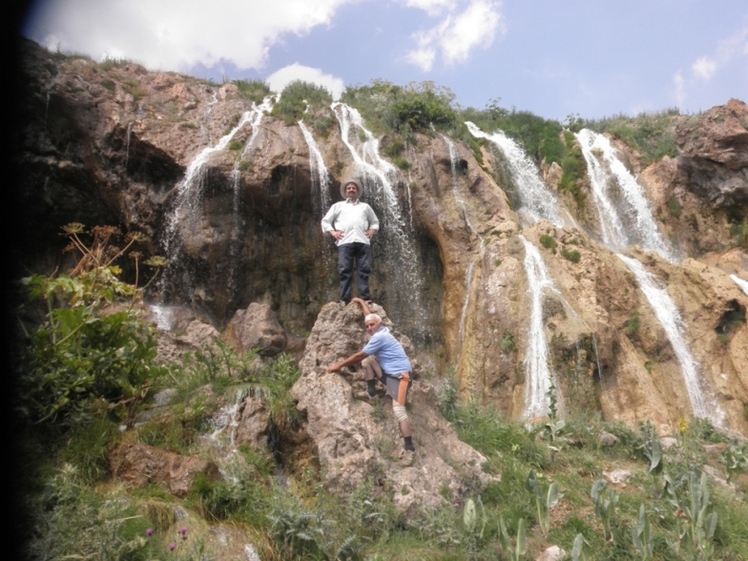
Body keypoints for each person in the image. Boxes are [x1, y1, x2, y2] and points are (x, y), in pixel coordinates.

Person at [327, 298, 416, 465]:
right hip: (389, 375)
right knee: (368, 362)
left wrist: (338, 365)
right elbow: (370, 317)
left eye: (372, 325)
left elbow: (359, 355)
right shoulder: (381, 331)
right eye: (367, 326)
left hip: (401, 377)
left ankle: (410, 447)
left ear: (379, 325)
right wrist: (361, 303)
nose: (369, 328)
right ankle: (372, 392)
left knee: (398, 411)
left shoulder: (379, 337)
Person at [321, 178, 379, 304]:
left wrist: (371, 231)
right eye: (349, 188)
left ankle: (365, 298)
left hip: (362, 241)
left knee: (364, 270)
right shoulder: (338, 206)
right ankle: (344, 299)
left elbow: (375, 222)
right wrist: (333, 232)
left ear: (357, 191)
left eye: (353, 188)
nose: (351, 189)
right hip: (345, 241)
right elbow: (325, 221)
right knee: (344, 270)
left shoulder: (365, 207)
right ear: (345, 191)